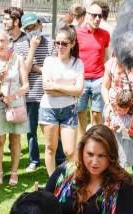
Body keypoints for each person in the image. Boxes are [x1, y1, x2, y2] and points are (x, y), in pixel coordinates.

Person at [0, 125, 133, 214]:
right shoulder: (64, 173)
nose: (94, 162)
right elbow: (41, 204)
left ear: (111, 156)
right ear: (81, 151)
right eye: (90, 154)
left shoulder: (122, 182)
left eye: (102, 156)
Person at [102, 56, 133, 194]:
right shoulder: (112, 62)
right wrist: (108, 106)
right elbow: (104, 87)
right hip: (114, 111)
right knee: (111, 148)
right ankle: (111, 178)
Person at [0, 29, 29, 186]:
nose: (0, 44)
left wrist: (13, 97)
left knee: (15, 138)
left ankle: (14, 172)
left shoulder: (17, 59)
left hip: (16, 103)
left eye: (2, 41)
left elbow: (26, 86)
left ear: (8, 41)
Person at [39, 26, 84, 175]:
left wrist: (56, 86)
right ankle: (52, 183)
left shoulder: (78, 63)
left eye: (64, 43)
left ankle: (73, 181)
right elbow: (47, 89)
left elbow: (79, 91)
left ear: (72, 44)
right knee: (51, 148)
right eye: (57, 43)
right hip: (49, 109)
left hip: (69, 110)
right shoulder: (48, 61)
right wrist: (69, 90)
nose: (60, 47)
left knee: (70, 151)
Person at [20, 12, 54, 173]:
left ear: (40, 25)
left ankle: (59, 157)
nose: (31, 30)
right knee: (30, 130)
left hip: (49, 94)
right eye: (27, 29)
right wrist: (32, 49)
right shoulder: (21, 45)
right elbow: (25, 70)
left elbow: (54, 67)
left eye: (33, 26)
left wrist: (37, 68)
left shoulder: (52, 44)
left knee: (52, 128)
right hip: (31, 95)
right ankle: (34, 159)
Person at [76, 2, 110, 137]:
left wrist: (108, 79)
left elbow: (106, 57)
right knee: (81, 113)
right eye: (94, 15)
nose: (97, 19)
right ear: (87, 16)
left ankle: (96, 143)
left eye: (99, 16)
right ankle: (81, 146)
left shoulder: (105, 34)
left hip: (99, 79)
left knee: (97, 114)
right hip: (81, 79)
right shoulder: (77, 33)